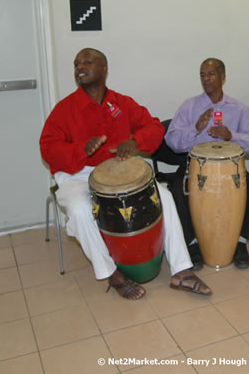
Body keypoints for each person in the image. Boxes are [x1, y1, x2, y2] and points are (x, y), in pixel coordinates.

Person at [39, 48, 211, 300]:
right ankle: (112, 274)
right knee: (79, 209)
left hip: (120, 172)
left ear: (105, 69)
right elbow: (48, 147)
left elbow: (153, 126)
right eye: (77, 64)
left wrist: (136, 141)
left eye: (88, 62)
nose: (80, 67)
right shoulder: (65, 109)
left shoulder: (121, 104)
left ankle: (181, 270)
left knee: (164, 195)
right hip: (78, 174)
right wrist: (80, 149)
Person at [165, 58, 249, 270]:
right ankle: (192, 243)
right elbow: (172, 140)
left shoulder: (238, 108)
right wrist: (196, 128)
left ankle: (240, 241)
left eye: (210, 74)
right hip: (195, 165)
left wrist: (232, 135)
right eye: (202, 75)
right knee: (177, 189)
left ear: (223, 77)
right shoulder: (189, 106)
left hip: (231, 167)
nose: (206, 79)